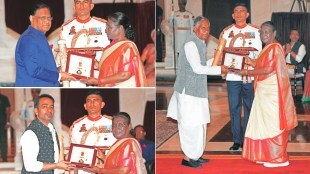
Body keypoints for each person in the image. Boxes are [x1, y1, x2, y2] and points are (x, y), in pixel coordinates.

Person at [167, 16, 227, 168]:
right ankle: (188, 158)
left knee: (200, 123)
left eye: (208, 28)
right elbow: (197, 69)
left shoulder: (199, 43)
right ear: (195, 28)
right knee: (190, 125)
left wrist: (216, 60)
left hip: (197, 91)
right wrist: (219, 69)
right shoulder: (191, 44)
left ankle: (196, 155)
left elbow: (200, 64)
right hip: (188, 92)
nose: (206, 31)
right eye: (203, 28)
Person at [236, 21, 297, 168]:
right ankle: (268, 155)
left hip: (271, 93)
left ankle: (279, 158)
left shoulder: (275, 47)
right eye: (262, 32)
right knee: (264, 124)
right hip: (264, 92)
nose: (264, 35)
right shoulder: (268, 48)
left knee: (273, 124)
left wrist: (247, 72)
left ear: (274, 33)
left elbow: (268, 69)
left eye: (267, 32)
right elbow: (262, 65)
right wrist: (251, 62)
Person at [219, 2, 262, 151]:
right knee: (234, 108)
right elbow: (221, 53)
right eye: (236, 11)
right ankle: (237, 141)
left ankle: (248, 139)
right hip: (233, 76)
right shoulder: (226, 32)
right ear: (232, 15)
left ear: (247, 14)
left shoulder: (256, 31)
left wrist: (254, 64)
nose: (239, 13)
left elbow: (260, 54)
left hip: (249, 75)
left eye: (242, 11)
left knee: (250, 107)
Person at [80, 12, 147, 87]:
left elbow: (125, 74)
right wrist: (98, 65)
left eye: (109, 27)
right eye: (106, 27)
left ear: (120, 28)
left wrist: (98, 81)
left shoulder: (128, 46)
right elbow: (112, 69)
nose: (106, 30)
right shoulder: (109, 47)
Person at [15, 2, 74, 87]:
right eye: (42, 18)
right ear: (31, 18)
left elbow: (43, 67)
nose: (47, 21)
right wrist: (59, 76)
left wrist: (57, 71)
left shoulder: (39, 37)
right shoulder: (28, 38)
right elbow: (34, 70)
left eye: (49, 18)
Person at [57, 0, 110, 87]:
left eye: (85, 2)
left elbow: (107, 50)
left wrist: (99, 65)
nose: (81, 6)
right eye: (78, 2)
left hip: (97, 73)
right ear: (74, 7)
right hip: (74, 76)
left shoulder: (103, 25)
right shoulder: (66, 28)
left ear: (91, 6)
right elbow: (62, 53)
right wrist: (60, 67)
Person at [20, 94, 75, 173]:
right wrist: (56, 165)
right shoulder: (31, 133)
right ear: (36, 111)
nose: (49, 110)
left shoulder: (52, 130)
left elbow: (55, 157)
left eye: (51, 107)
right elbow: (30, 166)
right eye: (45, 106)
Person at [69, 90, 117, 174]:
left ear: (102, 104)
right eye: (89, 101)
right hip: (84, 170)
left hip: (106, 168)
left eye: (96, 100)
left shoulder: (113, 123)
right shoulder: (77, 125)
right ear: (85, 106)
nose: (92, 103)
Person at [0, 91, 10, 162]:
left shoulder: (4, 98)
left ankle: (4, 157)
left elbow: (8, 111)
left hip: (2, 123)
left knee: (3, 141)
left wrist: (8, 121)